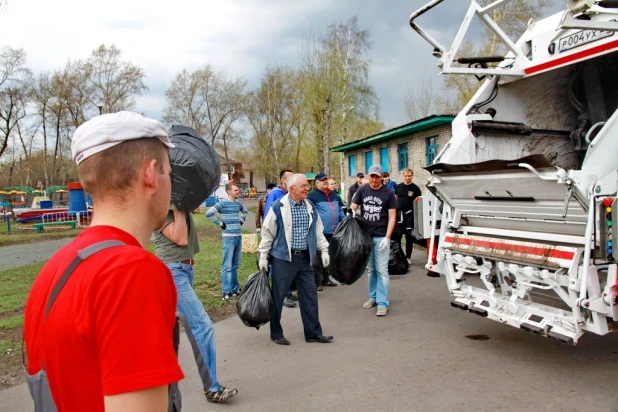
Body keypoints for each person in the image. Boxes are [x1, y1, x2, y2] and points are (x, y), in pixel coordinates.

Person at [23, 111, 184, 411]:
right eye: (169, 173)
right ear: (151, 174)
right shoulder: (132, 272)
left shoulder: (58, 266)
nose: (170, 184)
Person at [154, 205, 238, 403]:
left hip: (183, 269)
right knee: (201, 325)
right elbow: (181, 238)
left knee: (166, 330)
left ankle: (158, 385)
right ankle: (212, 388)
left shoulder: (178, 202)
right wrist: (178, 208)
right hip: (172, 271)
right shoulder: (160, 210)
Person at [258, 174, 333, 345]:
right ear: (292, 189)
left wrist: (324, 251)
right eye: (304, 186)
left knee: (310, 295)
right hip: (284, 259)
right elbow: (267, 232)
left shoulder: (310, 206)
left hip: (305, 259)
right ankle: (276, 333)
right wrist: (263, 255)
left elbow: (317, 230)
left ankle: (313, 333)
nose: (307, 188)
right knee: (277, 297)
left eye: (308, 185)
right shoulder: (279, 207)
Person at [351, 164, 397, 317]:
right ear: (368, 176)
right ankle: (373, 297)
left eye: (377, 176)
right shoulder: (363, 189)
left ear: (382, 177)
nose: (374, 179)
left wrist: (387, 237)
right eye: (372, 176)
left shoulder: (388, 193)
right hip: (366, 236)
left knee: (382, 269)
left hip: (381, 236)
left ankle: (382, 302)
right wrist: (353, 211)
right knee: (371, 270)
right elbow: (353, 206)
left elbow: (392, 217)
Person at [206, 183, 249, 300]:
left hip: (238, 237)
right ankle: (226, 291)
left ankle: (235, 289)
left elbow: (245, 212)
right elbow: (209, 213)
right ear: (228, 191)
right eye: (235, 190)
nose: (238, 191)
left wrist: (241, 221)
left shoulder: (238, 203)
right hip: (228, 238)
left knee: (235, 265)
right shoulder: (222, 203)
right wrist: (220, 224)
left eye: (238, 190)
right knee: (227, 266)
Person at [307, 173, 345, 290]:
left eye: (326, 180)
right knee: (318, 257)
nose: (325, 182)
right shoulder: (312, 196)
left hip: (334, 231)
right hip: (320, 232)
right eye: (322, 181)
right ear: (316, 183)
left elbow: (341, 210)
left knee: (329, 256)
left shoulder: (334, 195)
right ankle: (317, 281)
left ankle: (326, 279)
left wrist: (344, 223)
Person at [264, 169, 297, 308]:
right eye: (289, 178)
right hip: (279, 237)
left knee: (289, 265)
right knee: (280, 267)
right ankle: (284, 295)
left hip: (289, 237)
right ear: (283, 180)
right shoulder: (276, 194)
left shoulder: (289, 194)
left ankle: (288, 291)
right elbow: (269, 215)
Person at [395, 168, 422, 265]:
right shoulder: (398, 187)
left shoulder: (416, 189)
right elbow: (395, 199)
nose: (407, 177)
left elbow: (418, 203)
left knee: (408, 237)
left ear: (412, 176)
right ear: (403, 176)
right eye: (406, 175)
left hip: (409, 216)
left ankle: (408, 257)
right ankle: (398, 256)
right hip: (399, 215)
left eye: (409, 176)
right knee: (397, 236)